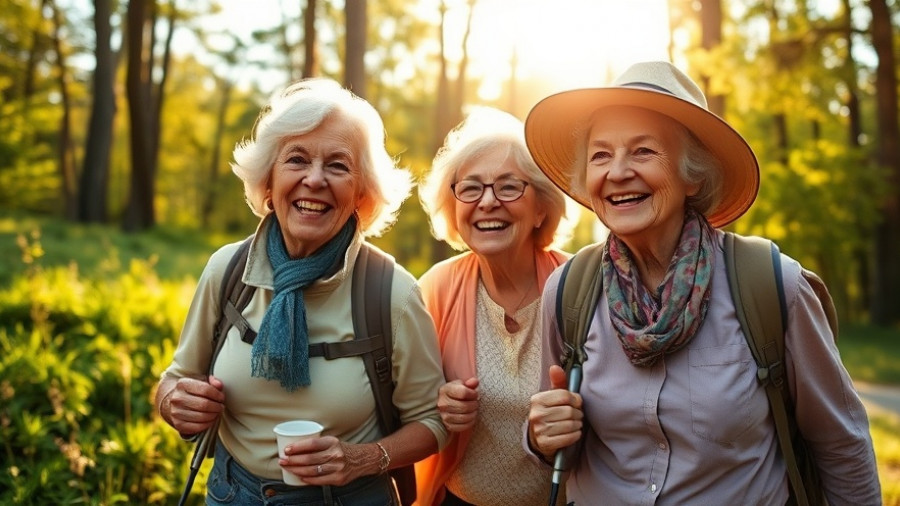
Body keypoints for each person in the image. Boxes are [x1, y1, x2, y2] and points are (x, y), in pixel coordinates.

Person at [523, 61, 881, 505]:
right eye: (600, 155)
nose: (616, 172)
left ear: (693, 174)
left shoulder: (773, 286)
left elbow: (842, 447)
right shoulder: (567, 291)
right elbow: (557, 440)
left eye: (643, 151)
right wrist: (542, 436)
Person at [155, 78, 449, 505]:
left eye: (338, 165)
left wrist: (363, 459)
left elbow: (434, 422)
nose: (314, 179)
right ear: (268, 183)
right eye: (297, 159)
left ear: (362, 195)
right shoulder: (228, 270)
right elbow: (174, 381)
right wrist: (175, 405)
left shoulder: (392, 292)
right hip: (232, 493)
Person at [414, 107, 578, 506]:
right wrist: (437, 404)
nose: (487, 202)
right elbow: (404, 404)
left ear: (541, 208)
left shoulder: (579, 285)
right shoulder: (434, 288)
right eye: (471, 188)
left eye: (508, 187)